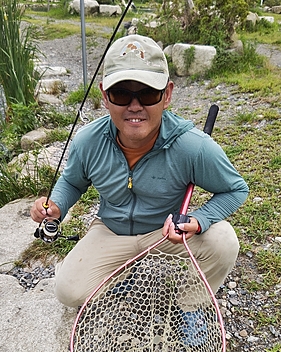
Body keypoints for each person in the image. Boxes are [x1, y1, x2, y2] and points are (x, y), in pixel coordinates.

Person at [30, 34, 249, 312]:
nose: (135, 106)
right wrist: (57, 205)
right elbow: (72, 182)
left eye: (147, 93)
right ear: (105, 96)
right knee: (68, 292)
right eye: (121, 93)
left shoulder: (194, 146)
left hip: (166, 231)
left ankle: (190, 306)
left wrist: (199, 219)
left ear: (167, 95)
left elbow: (235, 189)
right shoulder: (87, 141)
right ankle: (120, 270)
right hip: (111, 230)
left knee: (223, 242)